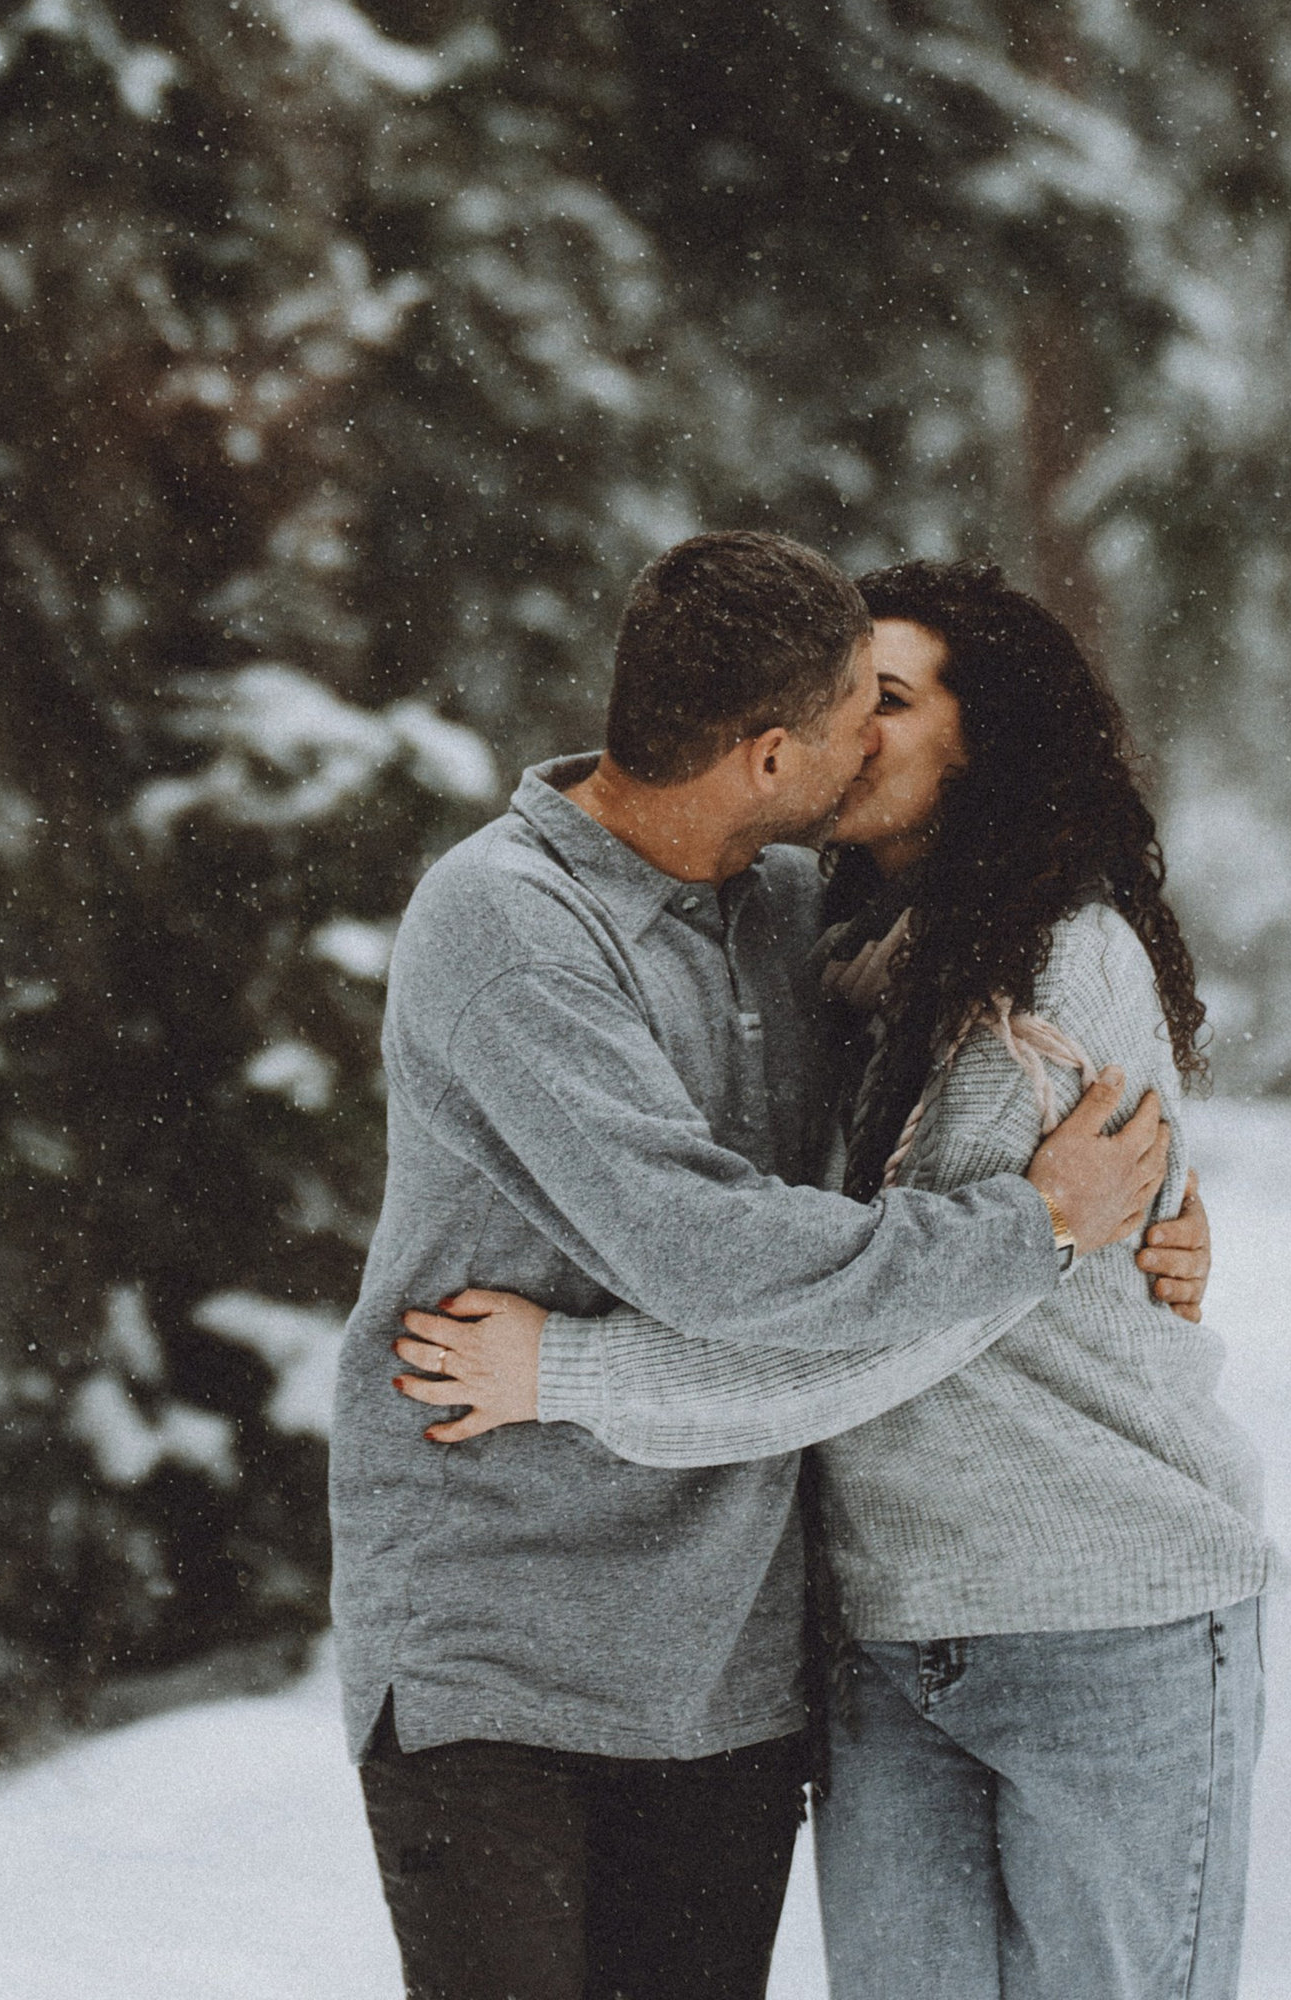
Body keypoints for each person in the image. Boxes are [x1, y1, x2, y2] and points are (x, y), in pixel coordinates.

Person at [332, 531, 1207, 2000]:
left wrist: (1159, 1203)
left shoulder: (795, 911)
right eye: (862, 707)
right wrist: (1033, 1231)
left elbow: (1000, 1079)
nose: (879, 739)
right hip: (502, 1644)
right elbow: (713, 1255)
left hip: (726, 1656)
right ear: (764, 756)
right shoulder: (506, 928)